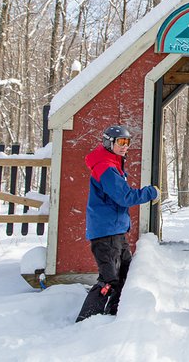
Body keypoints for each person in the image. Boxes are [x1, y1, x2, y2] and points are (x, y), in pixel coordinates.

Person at [75, 125, 160, 322]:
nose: (125, 147)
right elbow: (124, 197)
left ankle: (115, 313)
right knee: (109, 279)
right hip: (106, 232)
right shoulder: (105, 167)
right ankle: (86, 320)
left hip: (115, 230)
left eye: (127, 142)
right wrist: (151, 192)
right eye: (121, 142)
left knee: (125, 273)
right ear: (108, 142)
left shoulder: (112, 163)